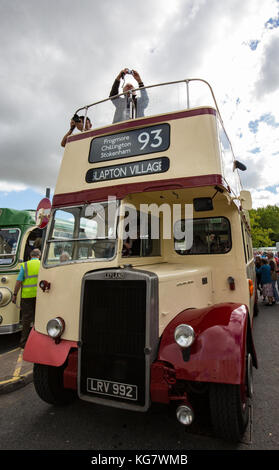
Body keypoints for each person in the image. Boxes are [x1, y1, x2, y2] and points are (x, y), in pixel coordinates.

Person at [12, 249, 41, 348]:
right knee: (38, 318)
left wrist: (15, 294)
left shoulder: (25, 265)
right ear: (39, 255)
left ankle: (24, 342)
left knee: (26, 320)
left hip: (26, 297)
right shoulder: (42, 265)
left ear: (30, 255)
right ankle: (37, 341)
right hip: (39, 296)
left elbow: (19, 281)